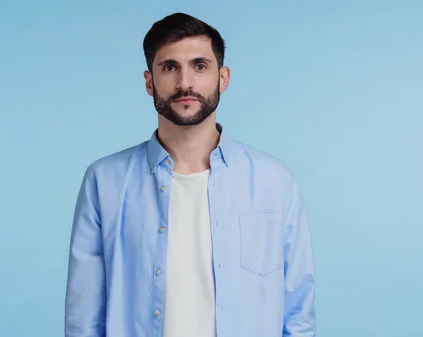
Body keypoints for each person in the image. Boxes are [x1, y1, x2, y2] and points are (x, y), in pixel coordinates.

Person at [65, 12, 316, 337]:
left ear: (222, 78)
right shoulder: (104, 182)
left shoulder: (274, 181)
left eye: (200, 66)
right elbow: (83, 317)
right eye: (170, 67)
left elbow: (298, 310)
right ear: (149, 81)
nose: (185, 82)